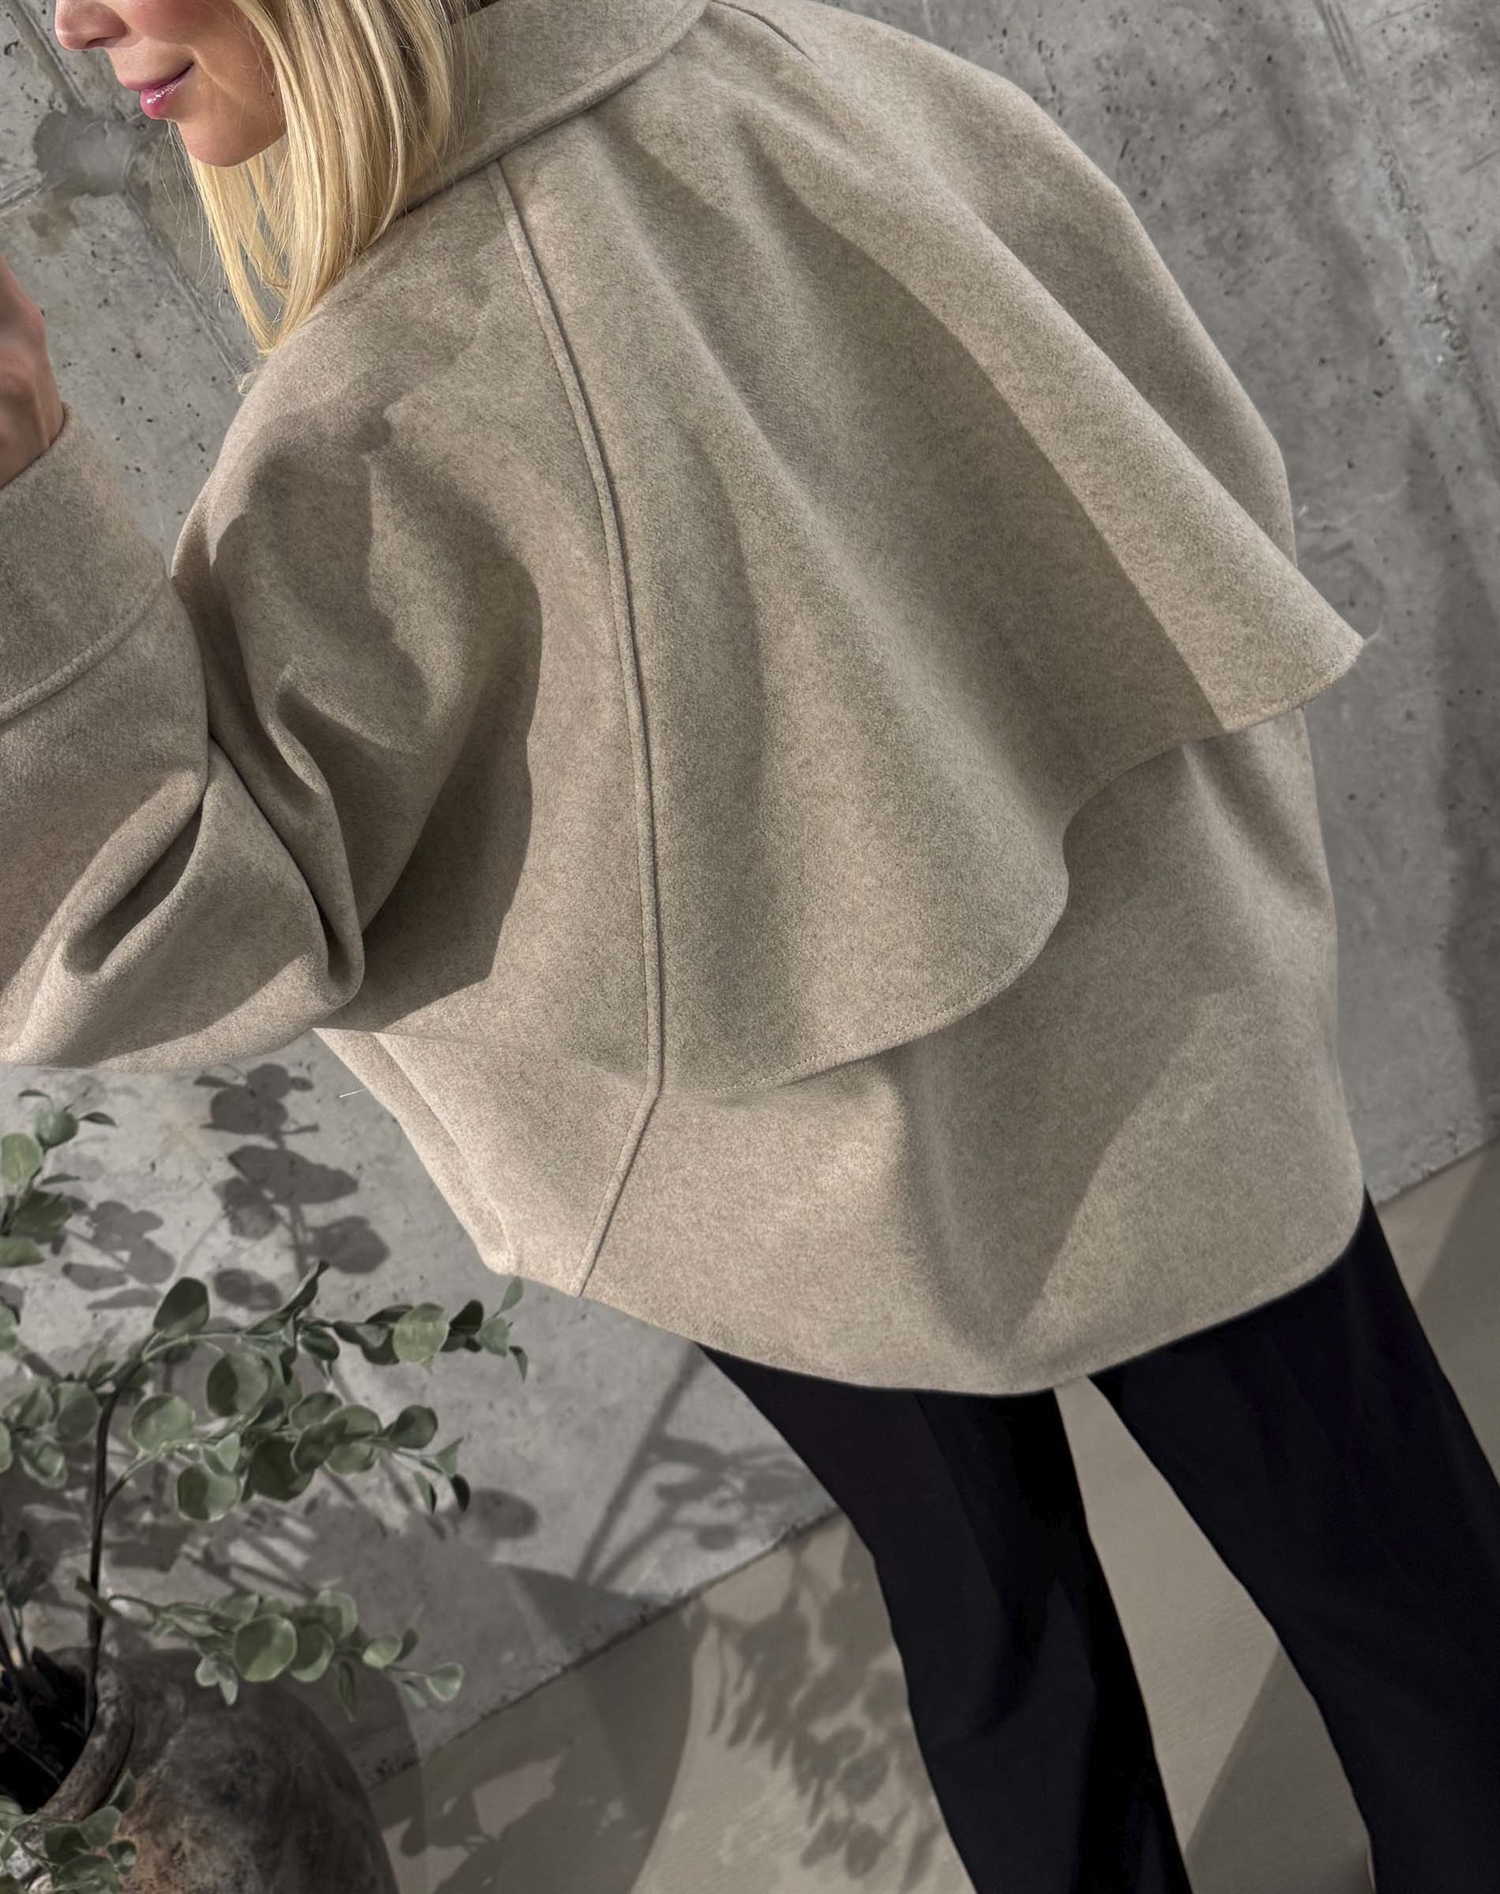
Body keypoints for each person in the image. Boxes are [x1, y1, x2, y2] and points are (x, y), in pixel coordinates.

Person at [4, 0, 1497, 1888]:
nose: (75, 16)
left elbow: (162, 916)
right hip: (1149, 1002)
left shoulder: (390, 397)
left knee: (1002, 1645)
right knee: (1390, 1564)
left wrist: (20, 499)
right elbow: (1182, 452)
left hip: (770, 1172)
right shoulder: (799, 74)